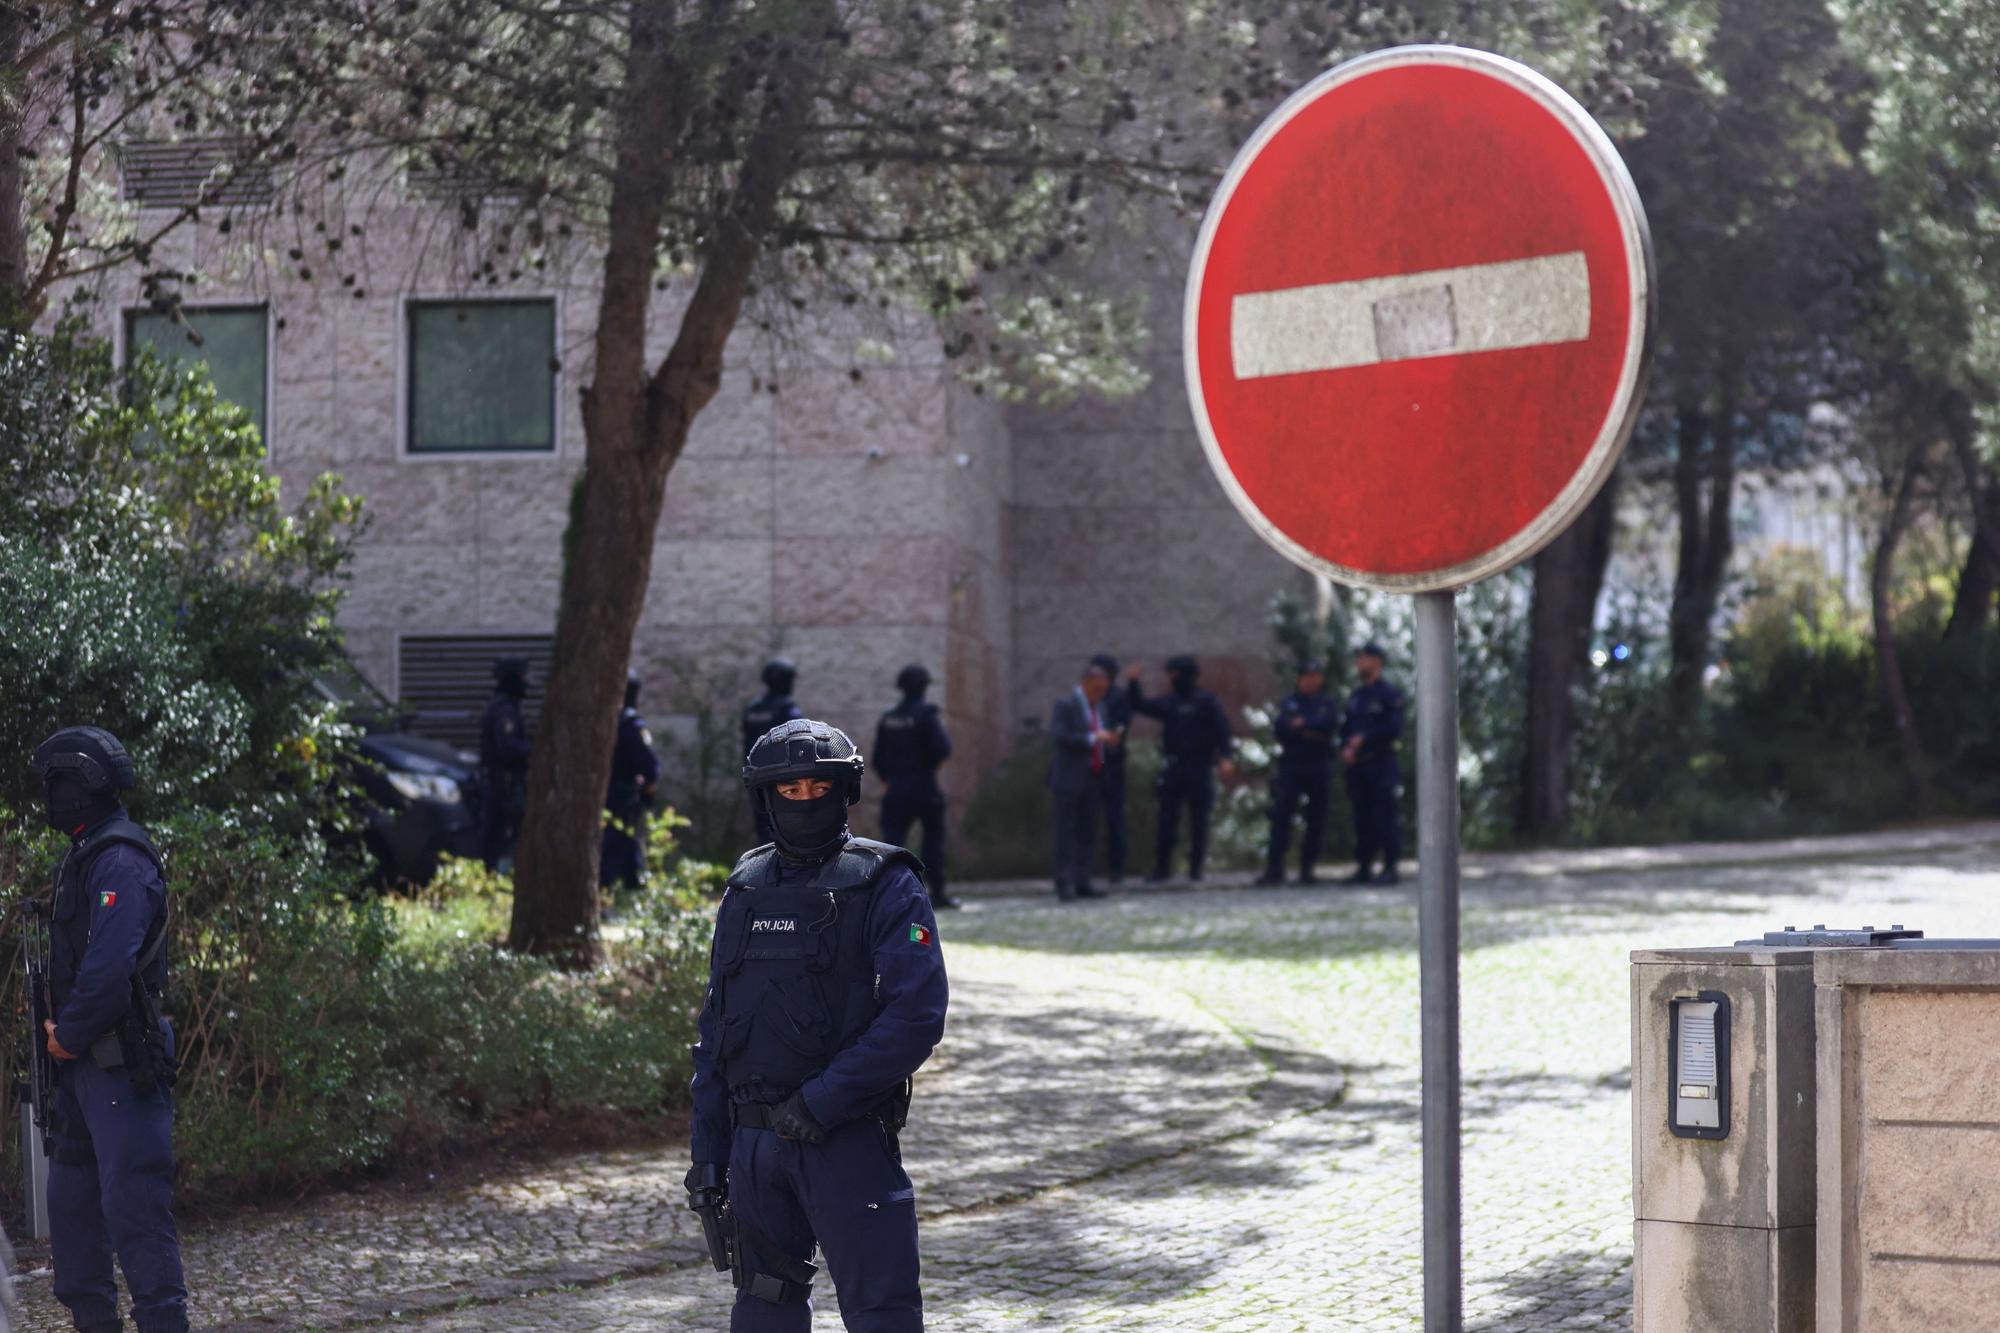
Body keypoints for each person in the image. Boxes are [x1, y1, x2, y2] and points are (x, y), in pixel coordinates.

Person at [686, 719, 947, 1332]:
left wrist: (821, 1101)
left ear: (844, 790)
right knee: (763, 1309)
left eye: (817, 788)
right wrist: (708, 1154)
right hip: (753, 1148)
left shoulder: (887, 882)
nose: (804, 801)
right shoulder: (744, 888)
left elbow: (916, 1016)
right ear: (766, 796)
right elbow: (716, 1029)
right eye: (789, 790)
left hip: (845, 1142)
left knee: (882, 1313)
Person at [30, 726, 189, 1333]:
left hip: (121, 1063)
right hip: (79, 1069)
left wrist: (66, 1034)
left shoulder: (120, 859)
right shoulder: (86, 853)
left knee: (136, 1219)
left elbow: (107, 970)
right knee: (73, 1220)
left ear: (82, 786)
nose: (52, 797)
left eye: (58, 784)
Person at [1127, 656, 1236, 883]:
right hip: (1174, 767)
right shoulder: (1170, 702)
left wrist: (1226, 757)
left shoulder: (1206, 702)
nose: (1173, 679)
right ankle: (1162, 868)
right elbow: (1140, 705)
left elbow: (1223, 731)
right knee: (1167, 820)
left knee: (1199, 821)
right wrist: (1133, 683)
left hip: (1200, 767)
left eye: (1176, 674)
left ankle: (1195, 869)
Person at [874, 664, 959, 910]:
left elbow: (878, 757)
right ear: (923, 687)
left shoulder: (889, 717)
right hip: (924, 786)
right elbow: (943, 748)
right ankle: (937, 892)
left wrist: (890, 778)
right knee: (933, 841)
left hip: (896, 787)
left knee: (891, 844)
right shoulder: (926, 714)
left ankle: (889, 894)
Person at [1258, 660, 1341, 886]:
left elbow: (1329, 726)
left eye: (1314, 676)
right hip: (1292, 766)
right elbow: (1281, 728)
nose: (1310, 680)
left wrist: (1303, 726)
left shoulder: (1326, 704)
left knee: (1316, 818)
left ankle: (1307, 869)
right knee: (1281, 817)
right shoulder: (1289, 703)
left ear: (1320, 679)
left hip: (1318, 765)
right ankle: (1275, 868)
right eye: (1306, 676)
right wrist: (1310, 729)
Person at [1047, 660, 1119, 901]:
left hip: (1093, 777)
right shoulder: (1065, 705)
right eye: (1097, 689)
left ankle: (1082, 880)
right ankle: (1064, 883)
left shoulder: (1101, 709)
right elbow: (1060, 736)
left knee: (1087, 832)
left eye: (1104, 690)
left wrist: (1108, 743)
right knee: (1065, 833)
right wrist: (1092, 738)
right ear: (1086, 684)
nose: (1101, 694)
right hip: (1068, 779)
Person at [1341, 641, 1406, 885]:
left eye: (1364, 658)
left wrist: (1366, 738)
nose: (1359, 663)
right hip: (1359, 765)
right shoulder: (1357, 696)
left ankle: (1390, 866)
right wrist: (1346, 746)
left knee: (1385, 815)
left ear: (1377, 661)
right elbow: (1346, 727)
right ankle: (1364, 866)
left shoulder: (1389, 694)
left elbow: (1394, 728)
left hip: (1381, 763)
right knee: (1362, 816)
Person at [601, 669, 662, 891]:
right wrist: (647, 792)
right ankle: (608, 895)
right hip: (623, 797)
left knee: (624, 849)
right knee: (617, 846)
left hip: (602, 797)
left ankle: (628, 892)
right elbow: (650, 767)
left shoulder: (600, 722)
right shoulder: (630, 725)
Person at [741, 657, 804, 846]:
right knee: (790, 834)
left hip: (758, 779)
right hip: (784, 781)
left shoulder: (752, 710)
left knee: (764, 834)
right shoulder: (788, 712)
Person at [479, 656, 533, 871]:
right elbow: (507, 747)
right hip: (503, 785)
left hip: (505, 784)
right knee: (500, 835)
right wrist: (533, 752)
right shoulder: (504, 710)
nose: (527, 683)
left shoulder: (507, 707)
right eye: (523, 677)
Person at [1087, 653, 1133, 884]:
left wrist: (1112, 738)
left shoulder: (1118, 698)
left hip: (1112, 764)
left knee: (1114, 817)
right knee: (1086, 818)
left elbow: (1122, 726)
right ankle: (1084, 870)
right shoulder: (1086, 697)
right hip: (1089, 764)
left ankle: (1116, 869)